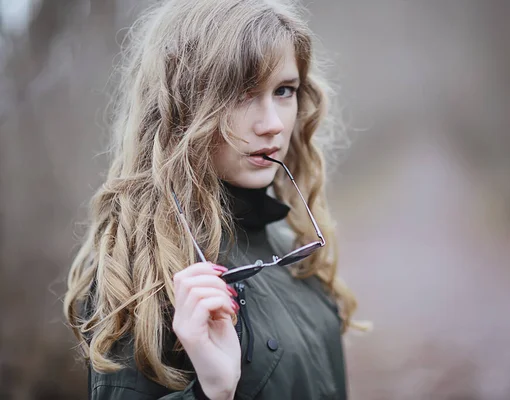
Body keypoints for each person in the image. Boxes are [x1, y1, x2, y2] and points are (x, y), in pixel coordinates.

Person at [63, 0, 360, 399]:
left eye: (284, 91)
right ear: (182, 107)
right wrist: (213, 392)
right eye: (242, 94)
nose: (272, 124)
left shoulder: (288, 246)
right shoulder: (141, 275)